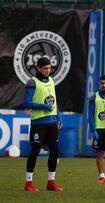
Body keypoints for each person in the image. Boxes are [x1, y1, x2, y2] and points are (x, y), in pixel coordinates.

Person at [23, 57, 63, 192]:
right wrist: (43, 106)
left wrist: (59, 117)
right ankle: (28, 183)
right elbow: (27, 103)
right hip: (38, 123)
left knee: (55, 150)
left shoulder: (51, 80)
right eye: (45, 68)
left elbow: (55, 101)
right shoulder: (32, 82)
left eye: (50, 68)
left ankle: (51, 182)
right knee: (35, 150)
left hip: (52, 122)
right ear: (38, 68)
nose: (48, 70)